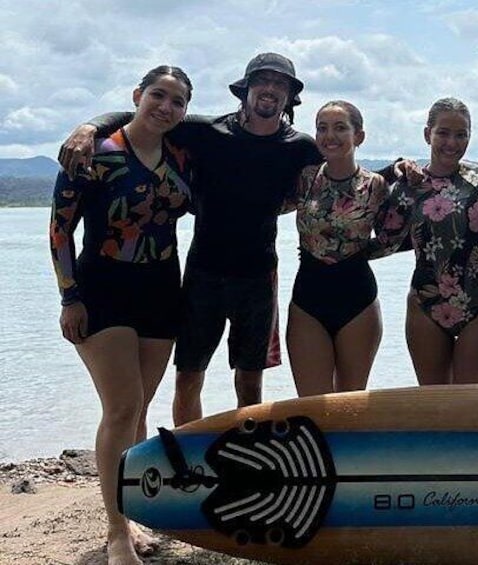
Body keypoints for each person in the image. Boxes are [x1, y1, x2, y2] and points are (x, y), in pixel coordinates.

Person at [58, 53, 323, 425]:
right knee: (188, 378)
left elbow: (344, 172)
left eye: (281, 84)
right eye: (263, 81)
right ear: (245, 89)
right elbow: (141, 117)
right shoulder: (206, 132)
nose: (270, 89)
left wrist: (396, 172)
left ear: (290, 97)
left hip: (258, 277)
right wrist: (90, 127)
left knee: (250, 381)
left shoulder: (301, 147)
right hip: (203, 273)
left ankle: (248, 458)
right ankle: (186, 460)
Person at [50, 65, 193, 565]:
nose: (166, 107)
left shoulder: (182, 153)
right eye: (158, 95)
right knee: (121, 407)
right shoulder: (93, 153)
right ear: (138, 95)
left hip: (161, 290)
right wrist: (70, 298)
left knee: (140, 407)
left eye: (178, 101)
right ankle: (116, 533)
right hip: (102, 289)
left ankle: (134, 514)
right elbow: (61, 231)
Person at [374, 97, 478, 385]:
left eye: (461, 134)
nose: (451, 142)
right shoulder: (408, 186)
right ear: (428, 134)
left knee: (473, 406)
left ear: (469, 137)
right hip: (425, 304)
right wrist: (334, 252)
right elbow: (385, 242)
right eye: (443, 133)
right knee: (433, 406)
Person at [282, 101, 387, 395]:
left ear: (359, 136)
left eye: (341, 128)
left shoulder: (376, 185)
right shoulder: (305, 179)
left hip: (358, 300)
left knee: (350, 406)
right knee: (311, 406)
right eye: (322, 128)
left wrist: (353, 252)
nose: (330, 136)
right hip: (308, 299)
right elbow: (264, 206)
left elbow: (392, 239)